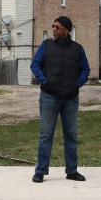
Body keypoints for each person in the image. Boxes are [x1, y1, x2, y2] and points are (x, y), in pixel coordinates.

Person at [30, 16, 91, 183]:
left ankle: (72, 171)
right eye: (53, 26)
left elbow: (85, 69)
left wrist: (76, 85)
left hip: (70, 98)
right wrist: (44, 81)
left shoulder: (77, 49)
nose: (54, 29)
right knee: (45, 135)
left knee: (71, 135)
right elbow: (35, 64)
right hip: (49, 96)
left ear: (67, 30)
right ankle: (40, 171)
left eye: (57, 27)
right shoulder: (46, 46)